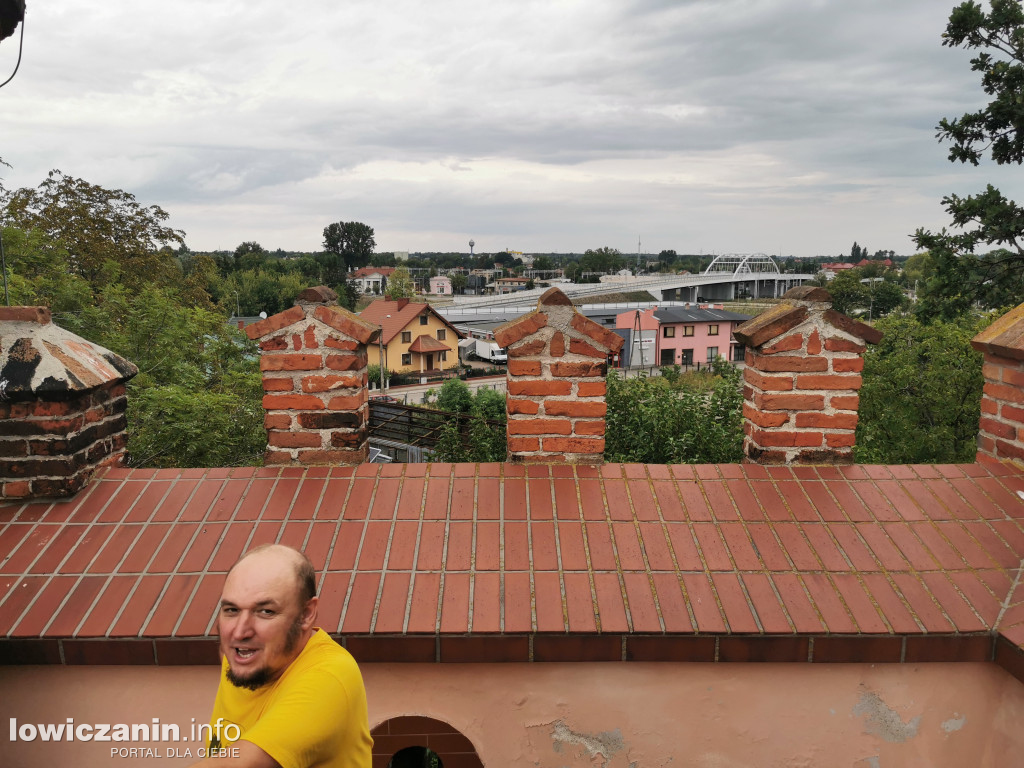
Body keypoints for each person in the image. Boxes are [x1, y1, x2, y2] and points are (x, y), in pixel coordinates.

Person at [191, 544, 372, 768]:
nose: (239, 632)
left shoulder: (329, 676)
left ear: (307, 614)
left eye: (265, 612)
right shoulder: (246, 656)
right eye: (232, 610)